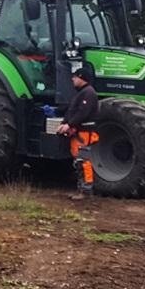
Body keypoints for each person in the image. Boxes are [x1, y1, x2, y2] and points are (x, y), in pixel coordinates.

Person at [46, 64, 99, 198]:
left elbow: (82, 113)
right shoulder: (81, 93)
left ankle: (86, 190)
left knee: (83, 161)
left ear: (82, 78)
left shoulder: (88, 93)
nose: (72, 79)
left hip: (84, 132)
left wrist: (69, 125)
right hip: (79, 132)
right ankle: (82, 189)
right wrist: (59, 116)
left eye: (75, 77)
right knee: (79, 161)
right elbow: (71, 109)